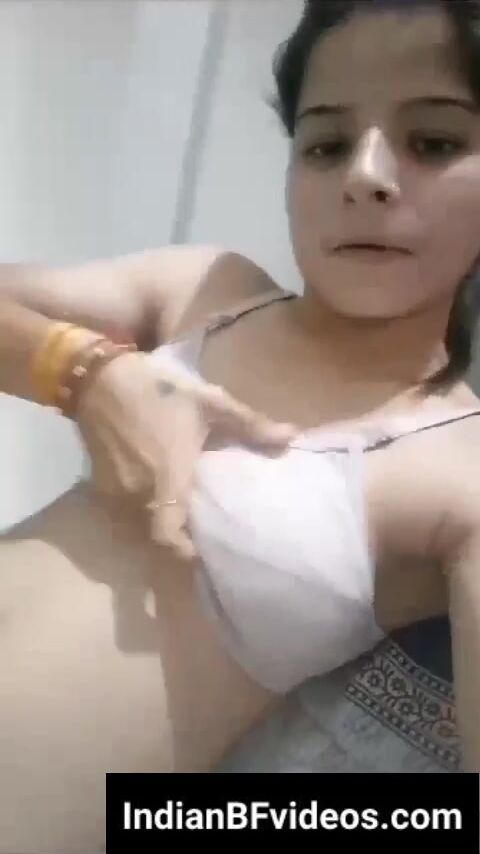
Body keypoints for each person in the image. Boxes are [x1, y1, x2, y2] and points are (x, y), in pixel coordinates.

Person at [2, 0, 480, 849]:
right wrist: (85, 373)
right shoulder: (208, 292)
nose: (365, 174)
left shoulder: (460, 471)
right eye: (326, 143)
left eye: (434, 142)